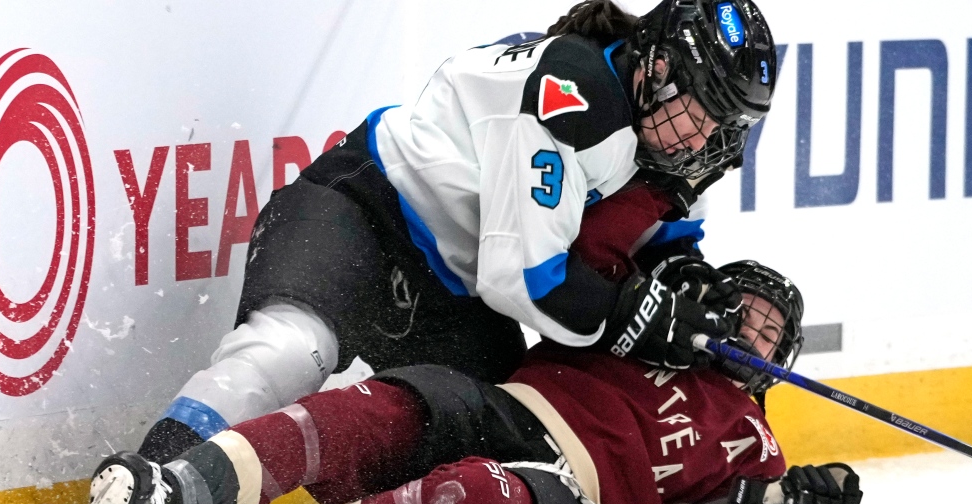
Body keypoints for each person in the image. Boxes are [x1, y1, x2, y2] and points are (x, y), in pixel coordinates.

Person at [136, 0, 779, 466]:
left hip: (445, 290)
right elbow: (525, 279)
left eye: (724, 127)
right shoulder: (576, 95)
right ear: (657, 67)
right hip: (362, 212)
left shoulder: (656, 127)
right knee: (287, 350)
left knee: (496, 442)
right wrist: (636, 315)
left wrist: (690, 287)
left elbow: (651, 239)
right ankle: (142, 488)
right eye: (698, 113)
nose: (702, 141)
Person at [67, 259, 863, 504]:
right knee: (371, 412)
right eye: (744, 315)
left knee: (480, 498)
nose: (751, 338)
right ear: (709, 303)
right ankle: (167, 489)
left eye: (770, 336)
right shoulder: (649, 320)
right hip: (507, 405)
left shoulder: (752, 442)